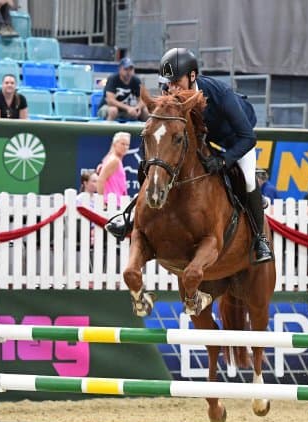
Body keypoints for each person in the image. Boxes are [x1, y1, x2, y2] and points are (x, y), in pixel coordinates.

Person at [106, 47, 272, 264]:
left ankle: (260, 240)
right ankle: (129, 217)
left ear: (192, 76)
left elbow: (248, 138)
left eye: (176, 82)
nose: (171, 87)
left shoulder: (219, 94)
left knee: (248, 180)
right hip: (203, 140)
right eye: (168, 83)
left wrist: (223, 160)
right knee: (155, 165)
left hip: (234, 139)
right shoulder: (169, 91)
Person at [97, 58, 149, 122]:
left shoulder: (136, 81)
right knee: (113, 110)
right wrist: (128, 108)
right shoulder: (113, 79)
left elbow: (143, 99)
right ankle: (107, 130)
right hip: (107, 107)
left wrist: (138, 107)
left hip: (128, 110)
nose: (128, 72)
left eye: (131, 69)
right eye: (126, 69)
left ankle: (144, 131)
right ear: (120, 69)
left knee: (146, 111)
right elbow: (110, 101)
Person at [96, 132, 130, 208]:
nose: (125, 147)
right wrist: (102, 202)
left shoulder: (113, 159)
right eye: (122, 144)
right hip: (112, 204)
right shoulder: (114, 161)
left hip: (116, 203)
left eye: (127, 145)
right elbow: (100, 180)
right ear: (115, 144)